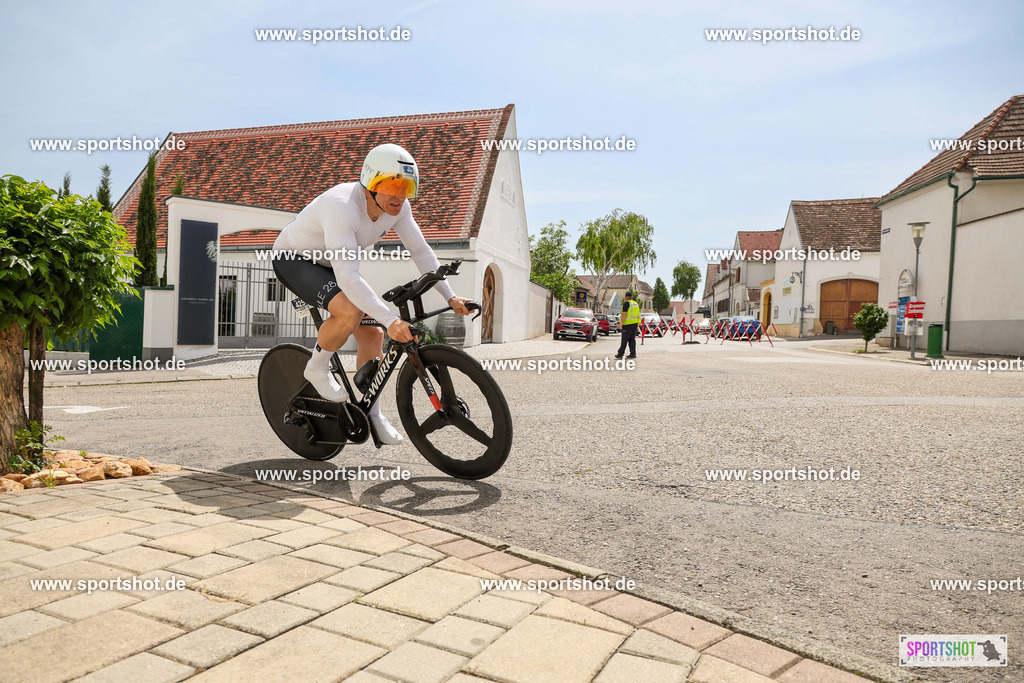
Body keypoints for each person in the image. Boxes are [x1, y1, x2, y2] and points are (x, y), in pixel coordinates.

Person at [270, 143, 473, 445]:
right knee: (349, 313)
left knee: (375, 334)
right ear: (370, 182)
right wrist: (392, 319)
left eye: (407, 187)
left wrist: (450, 296)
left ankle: (372, 415)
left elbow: (420, 251)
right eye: (392, 185)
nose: (399, 195)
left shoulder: (399, 208)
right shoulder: (343, 207)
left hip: (331, 263)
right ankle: (316, 367)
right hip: (295, 259)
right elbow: (349, 277)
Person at [615, 291, 640, 359]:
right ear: (631, 297)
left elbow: (624, 314)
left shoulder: (627, 303)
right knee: (632, 339)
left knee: (624, 339)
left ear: (626, 297)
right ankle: (633, 353)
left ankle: (620, 353)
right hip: (635, 324)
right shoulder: (635, 304)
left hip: (628, 324)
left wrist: (621, 323)